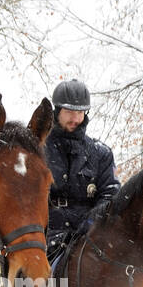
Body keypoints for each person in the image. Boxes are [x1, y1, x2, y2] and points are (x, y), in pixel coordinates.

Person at [45, 78, 119, 256]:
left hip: (89, 238)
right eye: (69, 111)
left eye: (80, 113)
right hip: (45, 236)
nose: (76, 118)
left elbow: (110, 196)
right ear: (57, 111)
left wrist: (90, 225)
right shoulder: (37, 150)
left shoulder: (101, 153)